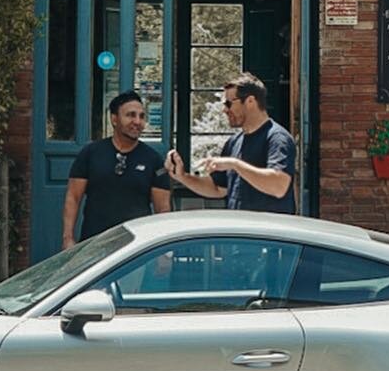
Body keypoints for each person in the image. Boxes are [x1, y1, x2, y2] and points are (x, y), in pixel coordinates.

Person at [166, 73, 297, 213]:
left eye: (228, 103)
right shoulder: (234, 141)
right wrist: (182, 177)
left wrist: (234, 164)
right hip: (239, 229)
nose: (225, 110)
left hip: (267, 232)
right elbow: (217, 189)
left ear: (250, 101)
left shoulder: (277, 138)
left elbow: (278, 186)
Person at [62, 91, 172, 247]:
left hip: (136, 249)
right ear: (114, 119)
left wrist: (164, 251)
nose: (137, 121)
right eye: (130, 115)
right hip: (93, 245)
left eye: (141, 116)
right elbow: (73, 197)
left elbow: (163, 209)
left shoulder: (154, 160)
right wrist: (68, 238)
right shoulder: (91, 153)